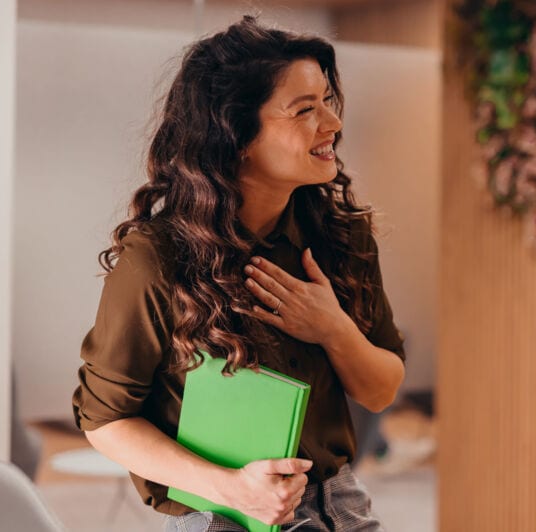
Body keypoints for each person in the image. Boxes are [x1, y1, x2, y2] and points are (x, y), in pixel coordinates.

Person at [71, 17, 406, 532]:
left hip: (341, 507)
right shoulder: (157, 257)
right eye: (305, 109)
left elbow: (381, 391)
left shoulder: (341, 236)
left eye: (327, 101)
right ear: (236, 134)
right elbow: (105, 419)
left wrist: (331, 327)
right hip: (219, 515)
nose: (333, 123)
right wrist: (233, 489)